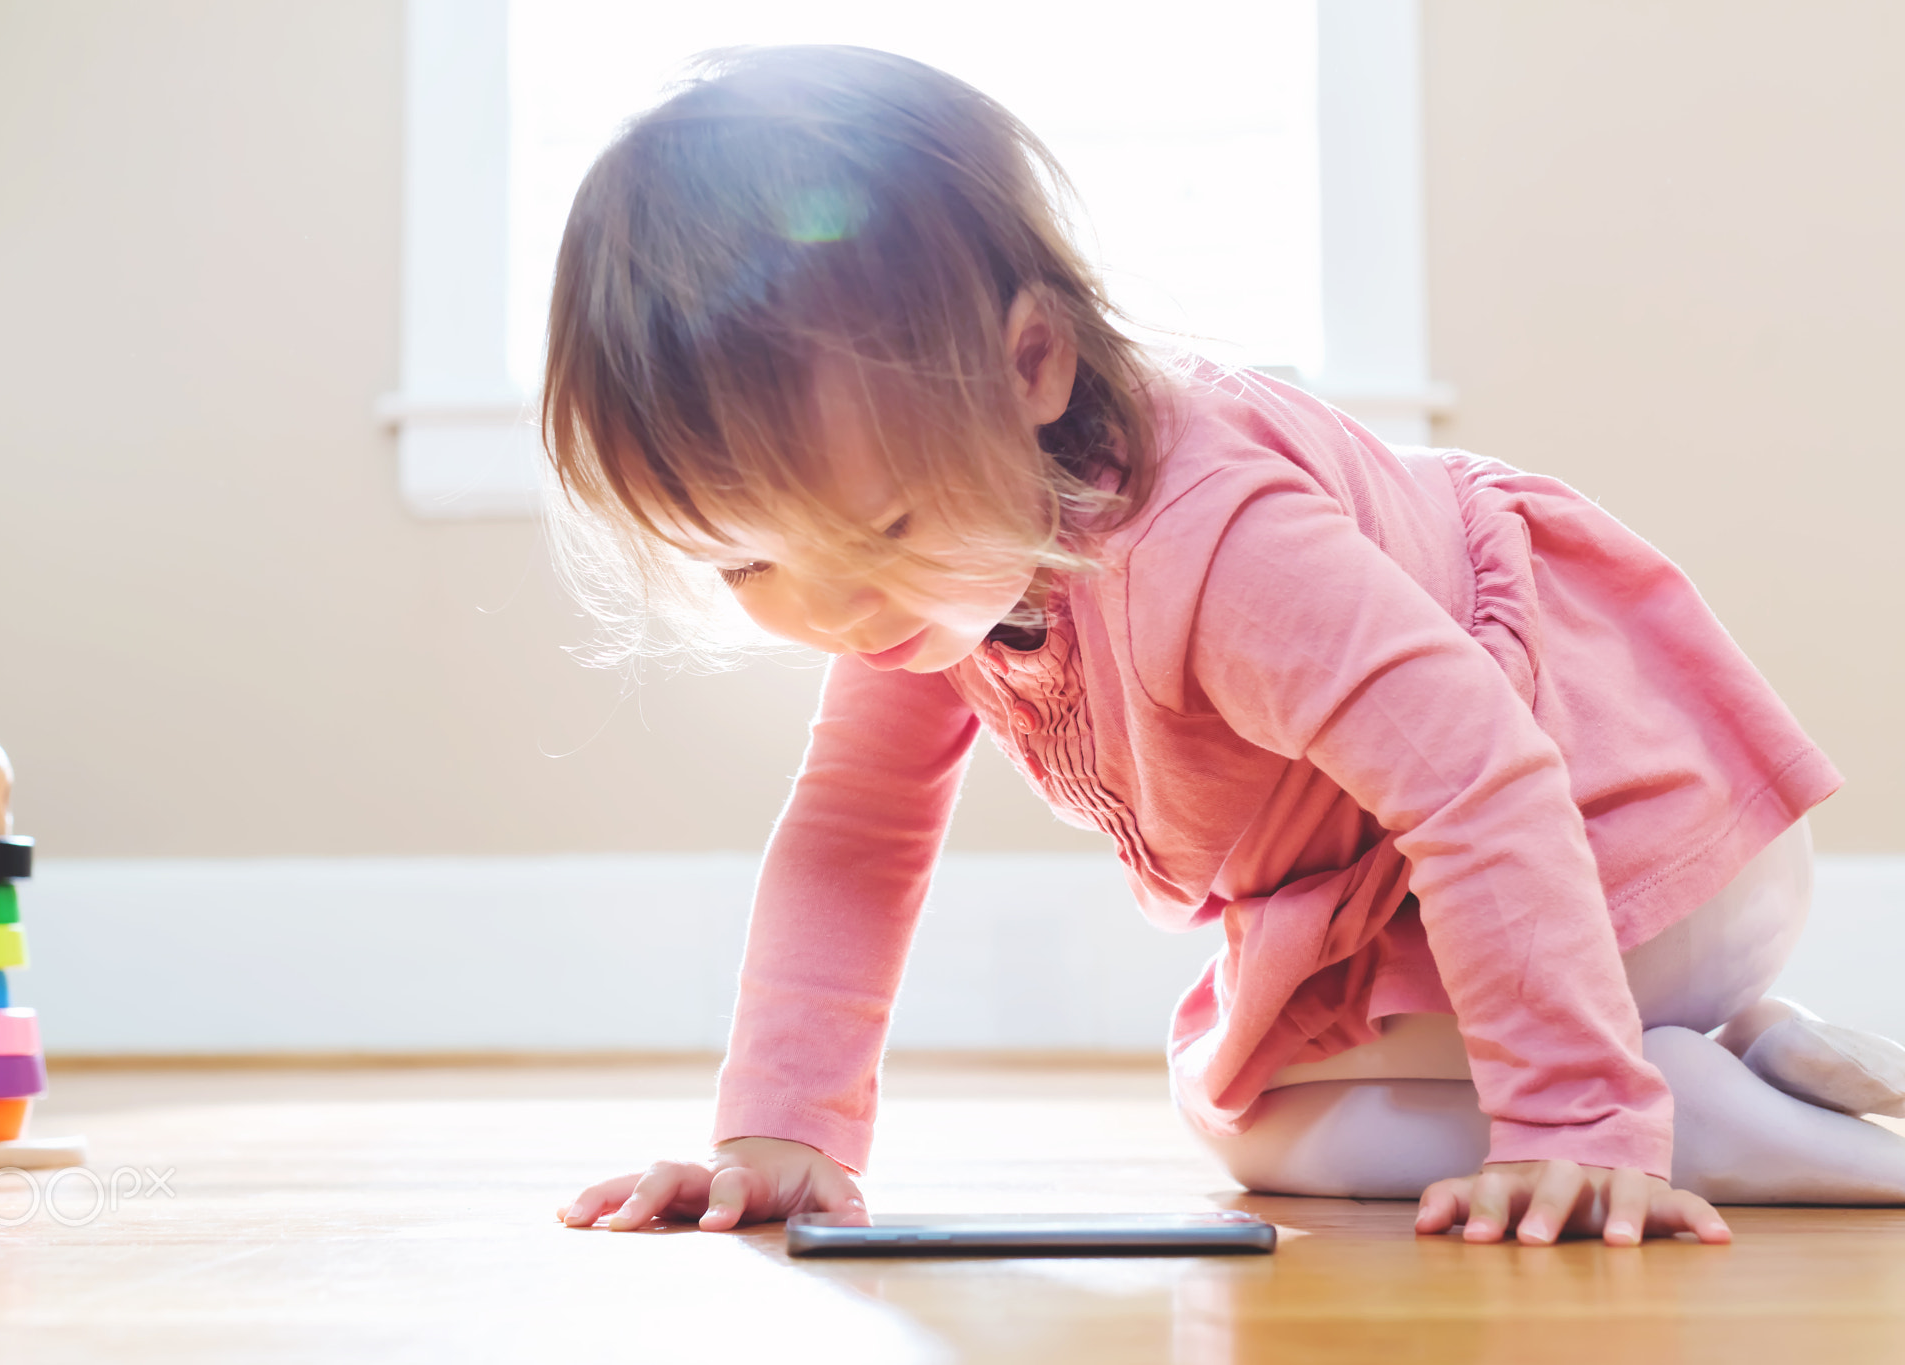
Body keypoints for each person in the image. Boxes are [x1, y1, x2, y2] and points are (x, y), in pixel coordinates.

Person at [547, 45, 1905, 1246]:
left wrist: (1574, 1123)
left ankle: (1708, 1116)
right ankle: (1728, 1070)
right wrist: (780, 1128)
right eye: (747, 561)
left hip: (1640, 844)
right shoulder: (922, 570)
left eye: (881, 526)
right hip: (1462, 879)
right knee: (1249, 1119)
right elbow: (853, 829)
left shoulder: (1215, 547)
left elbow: (1481, 777)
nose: (837, 610)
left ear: (1033, 367)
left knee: (1291, 1113)